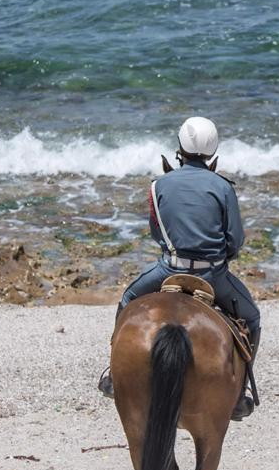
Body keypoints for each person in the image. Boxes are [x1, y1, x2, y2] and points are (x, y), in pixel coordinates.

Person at [98, 117, 261, 420]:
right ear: (213, 154)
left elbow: (157, 232)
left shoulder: (158, 184)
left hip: (169, 268)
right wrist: (224, 255)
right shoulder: (223, 187)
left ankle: (112, 375)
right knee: (252, 317)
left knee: (127, 300)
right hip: (213, 273)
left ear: (180, 148)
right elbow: (235, 238)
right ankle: (240, 395)